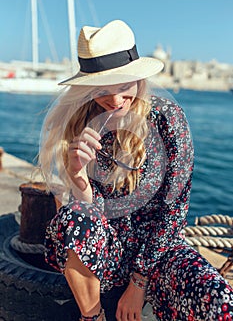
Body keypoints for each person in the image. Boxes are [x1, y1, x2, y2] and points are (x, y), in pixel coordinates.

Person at [39, 20, 233, 321]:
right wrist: (78, 177)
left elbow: (174, 210)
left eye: (124, 86)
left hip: (160, 251)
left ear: (140, 79)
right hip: (110, 252)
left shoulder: (168, 120)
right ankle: (93, 316)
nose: (115, 101)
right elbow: (91, 214)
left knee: (220, 301)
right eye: (102, 89)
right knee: (74, 215)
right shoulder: (84, 125)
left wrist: (139, 283)